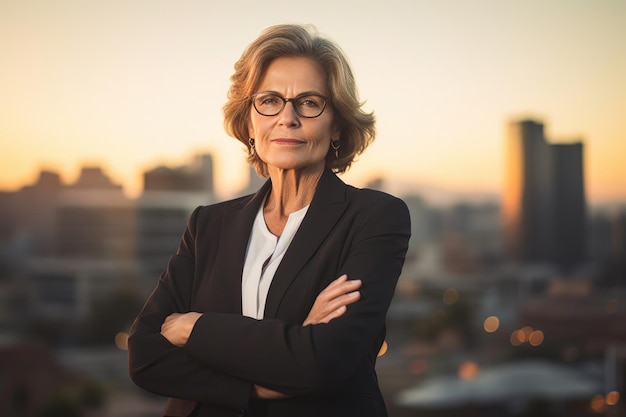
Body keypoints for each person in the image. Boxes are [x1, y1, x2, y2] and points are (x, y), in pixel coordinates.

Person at [128, 24, 411, 417]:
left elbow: (323, 361)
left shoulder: (375, 217)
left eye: (309, 103)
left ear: (338, 126)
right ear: (248, 123)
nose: (287, 118)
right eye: (270, 101)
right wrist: (267, 380)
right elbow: (144, 356)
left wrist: (196, 329)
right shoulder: (208, 224)